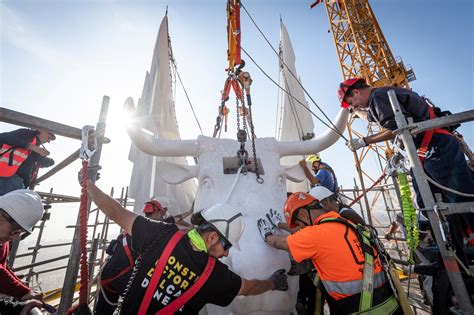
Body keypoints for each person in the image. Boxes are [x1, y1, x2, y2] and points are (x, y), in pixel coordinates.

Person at [86, 180, 288, 314]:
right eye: (226, 245)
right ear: (211, 238)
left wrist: (87, 184)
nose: (226, 252)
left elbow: (115, 211)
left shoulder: (161, 233)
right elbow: (250, 288)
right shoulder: (216, 276)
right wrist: (273, 282)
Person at [338, 77, 474, 267]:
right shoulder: (381, 97)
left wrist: (365, 141)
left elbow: (395, 129)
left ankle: (459, 257)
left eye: (352, 102)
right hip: (432, 150)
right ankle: (457, 258)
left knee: (462, 203)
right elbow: (370, 115)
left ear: (357, 92)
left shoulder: (378, 97)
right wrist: (355, 111)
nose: (354, 105)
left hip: (437, 149)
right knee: (437, 205)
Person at [258, 192, 402, 314]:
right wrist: (279, 224)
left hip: (358, 309)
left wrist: (267, 235)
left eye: (299, 223)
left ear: (303, 214)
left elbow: (279, 242)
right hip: (389, 303)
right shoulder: (346, 223)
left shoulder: (316, 234)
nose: (300, 228)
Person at [94, 199, 194, 314]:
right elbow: (171, 222)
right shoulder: (150, 229)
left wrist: (188, 222)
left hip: (108, 276)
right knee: (144, 303)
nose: (162, 218)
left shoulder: (136, 227)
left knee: (102, 311)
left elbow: (171, 222)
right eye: (161, 214)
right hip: (120, 277)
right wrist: (190, 212)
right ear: (156, 212)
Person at [0, 189, 45, 311]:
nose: (15, 237)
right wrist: (21, 293)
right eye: (14, 229)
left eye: (20, 232)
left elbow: (2, 268)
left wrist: (24, 290)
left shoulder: (2, 240)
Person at [0, 128, 55, 195]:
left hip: (13, 178)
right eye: (49, 137)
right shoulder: (27, 134)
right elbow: (2, 137)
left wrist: (47, 161)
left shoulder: (35, 145)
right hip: (9, 178)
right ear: (41, 130)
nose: (49, 141)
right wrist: (31, 146)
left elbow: (41, 159)